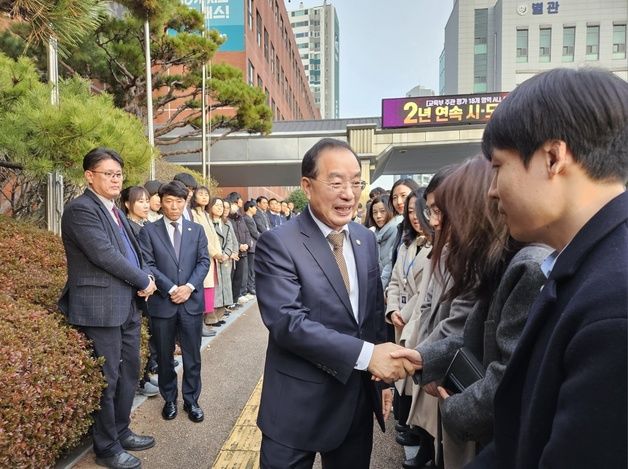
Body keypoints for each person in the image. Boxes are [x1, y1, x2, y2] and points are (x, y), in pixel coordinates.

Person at [463, 68, 627, 468]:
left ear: (553, 158)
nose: (491, 189)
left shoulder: (614, 303)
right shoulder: (586, 266)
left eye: (498, 167)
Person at [255, 138, 414, 468]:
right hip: (296, 408)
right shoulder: (278, 243)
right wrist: (369, 357)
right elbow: (288, 324)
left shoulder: (364, 238)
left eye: (356, 182)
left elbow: (370, 315)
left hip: (354, 403)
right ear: (307, 186)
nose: (349, 193)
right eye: (337, 182)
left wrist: (382, 382)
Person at [393, 156, 550, 468]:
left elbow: (507, 379)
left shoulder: (527, 265)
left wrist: (453, 408)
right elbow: (470, 335)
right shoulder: (499, 260)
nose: (434, 222)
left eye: (442, 212)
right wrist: (422, 359)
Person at [58, 148, 156, 469]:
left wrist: (145, 275)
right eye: (108, 174)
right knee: (108, 376)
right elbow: (104, 254)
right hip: (99, 307)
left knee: (129, 371)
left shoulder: (115, 210)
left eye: (119, 174)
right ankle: (107, 447)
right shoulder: (80, 210)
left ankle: (121, 430)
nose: (116, 180)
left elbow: (133, 251)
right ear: (89, 176)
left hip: (126, 303)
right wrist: (143, 278)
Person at [138, 181, 210, 424]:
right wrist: (170, 288)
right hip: (163, 303)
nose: (174, 206)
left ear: (185, 202)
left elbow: (203, 262)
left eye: (179, 201)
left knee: (192, 356)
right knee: (165, 357)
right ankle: (169, 398)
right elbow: (148, 264)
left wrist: (188, 288)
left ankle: (191, 400)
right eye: (169, 201)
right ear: (160, 202)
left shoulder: (196, 230)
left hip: (190, 302)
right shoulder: (149, 231)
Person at [119, 185, 160, 398]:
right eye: (140, 201)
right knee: (140, 336)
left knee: (147, 334)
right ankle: (142, 380)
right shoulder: (126, 227)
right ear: (127, 204)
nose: (145, 205)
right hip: (137, 291)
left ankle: (146, 374)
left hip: (149, 286)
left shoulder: (146, 225)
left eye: (147, 200)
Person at [191, 186, 223, 338]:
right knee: (202, 290)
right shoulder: (193, 214)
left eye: (206, 195)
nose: (204, 197)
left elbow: (214, 236)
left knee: (209, 290)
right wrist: (215, 253)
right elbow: (202, 237)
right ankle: (200, 324)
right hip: (204, 256)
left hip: (212, 257)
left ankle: (204, 321)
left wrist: (219, 252)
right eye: (200, 194)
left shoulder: (205, 214)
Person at [210, 197, 235, 321]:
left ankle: (220, 315)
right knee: (216, 288)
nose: (220, 208)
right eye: (217, 205)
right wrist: (218, 255)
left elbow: (230, 241)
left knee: (225, 286)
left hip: (225, 259)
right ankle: (211, 318)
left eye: (222, 206)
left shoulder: (226, 223)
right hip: (214, 259)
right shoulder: (208, 222)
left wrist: (226, 253)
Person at [368, 193, 399, 288]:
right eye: (374, 212)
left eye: (382, 211)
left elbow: (389, 266)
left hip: (390, 289)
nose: (378, 216)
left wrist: (379, 291)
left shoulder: (397, 231)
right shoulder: (373, 234)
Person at [243, 200, 260, 296]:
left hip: (253, 246)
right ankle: (250, 287)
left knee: (252, 268)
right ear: (250, 207)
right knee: (250, 268)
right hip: (251, 247)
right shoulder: (247, 218)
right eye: (254, 207)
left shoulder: (251, 218)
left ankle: (251, 286)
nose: (256, 209)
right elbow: (254, 233)